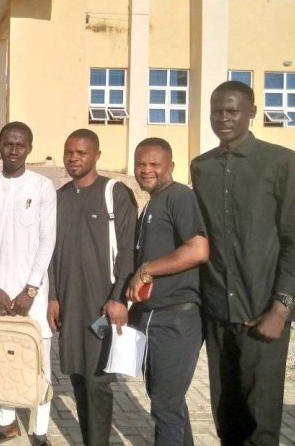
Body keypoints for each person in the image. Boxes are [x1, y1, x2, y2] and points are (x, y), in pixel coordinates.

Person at [191, 81, 295, 445]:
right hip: (218, 313)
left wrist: (281, 307)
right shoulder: (201, 167)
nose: (223, 118)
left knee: (261, 420)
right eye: (217, 111)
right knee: (227, 414)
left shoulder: (280, 161)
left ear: (252, 112)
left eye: (232, 111)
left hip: (263, 311)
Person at [47, 129, 137, 445]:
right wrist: (54, 297)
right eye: (69, 152)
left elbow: (128, 250)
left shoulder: (115, 193)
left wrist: (118, 299)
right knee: (77, 376)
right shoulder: (60, 198)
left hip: (104, 305)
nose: (74, 158)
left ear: (96, 155)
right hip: (70, 302)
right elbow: (52, 253)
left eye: (81, 152)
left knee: (98, 382)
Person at [0, 122, 57, 446]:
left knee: (38, 359)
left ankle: (40, 430)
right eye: (7, 144)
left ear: (30, 148)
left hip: (31, 291)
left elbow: (47, 239)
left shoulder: (42, 187)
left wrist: (31, 290)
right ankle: (7, 424)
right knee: (3, 356)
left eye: (20, 145)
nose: (13, 150)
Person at [126, 138, 209, 446]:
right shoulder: (153, 202)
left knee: (165, 405)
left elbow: (198, 249)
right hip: (152, 316)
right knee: (166, 402)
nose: (146, 170)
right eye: (141, 164)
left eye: (154, 164)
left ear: (170, 167)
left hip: (176, 319)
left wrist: (147, 269)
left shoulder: (179, 197)